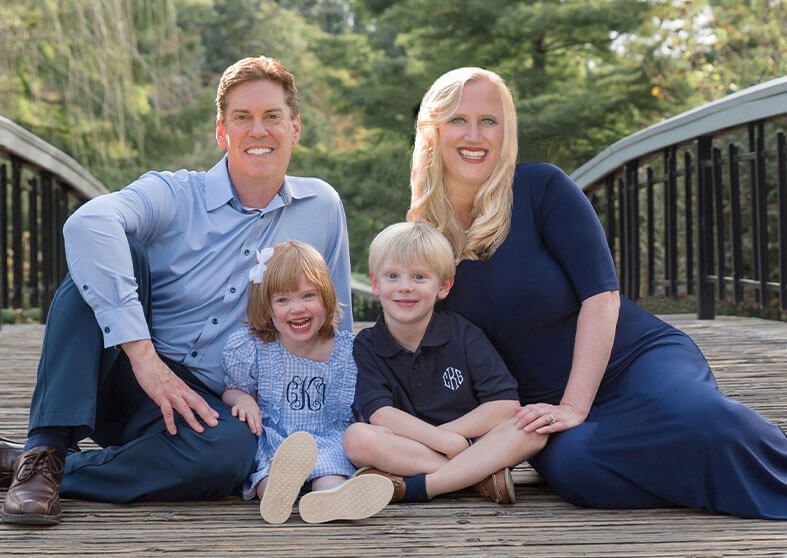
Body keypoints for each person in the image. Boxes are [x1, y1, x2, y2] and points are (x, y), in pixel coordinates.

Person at [405, 66, 787, 519]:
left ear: (505, 131)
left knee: (702, 421)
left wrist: (575, 405)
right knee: (576, 470)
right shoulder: (420, 242)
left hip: (632, 360)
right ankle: (707, 472)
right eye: (457, 120)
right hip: (542, 408)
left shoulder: (541, 188)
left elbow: (601, 296)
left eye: (488, 120)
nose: (475, 135)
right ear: (433, 131)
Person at [0, 55, 353, 526]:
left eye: (272, 116)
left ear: (295, 128)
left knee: (231, 453)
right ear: (221, 131)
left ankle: (41, 471)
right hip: (122, 371)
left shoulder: (322, 207)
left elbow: (335, 321)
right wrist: (146, 360)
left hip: (209, 397)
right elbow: (86, 222)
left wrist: (351, 425)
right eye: (242, 118)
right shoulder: (173, 194)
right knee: (109, 248)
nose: (259, 130)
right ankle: (44, 447)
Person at [343, 222, 547, 504]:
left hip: (469, 442)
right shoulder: (367, 344)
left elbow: (504, 406)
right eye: (392, 276)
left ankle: (421, 487)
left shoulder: (464, 334)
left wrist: (447, 436)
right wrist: (445, 445)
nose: (405, 287)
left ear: (443, 286)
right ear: (376, 284)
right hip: (410, 446)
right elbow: (381, 414)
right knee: (356, 439)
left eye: (418, 277)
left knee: (533, 429)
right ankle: (480, 477)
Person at [221, 240, 392, 524]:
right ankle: (276, 496)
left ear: (326, 297)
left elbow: (362, 405)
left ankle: (329, 500)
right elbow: (233, 390)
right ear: (267, 306)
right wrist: (242, 400)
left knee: (332, 472)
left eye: (308, 295)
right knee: (270, 475)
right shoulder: (254, 348)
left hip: (330, 437)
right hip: (279, 439)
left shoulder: (350, 350)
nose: (297, 308)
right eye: (283, 300)